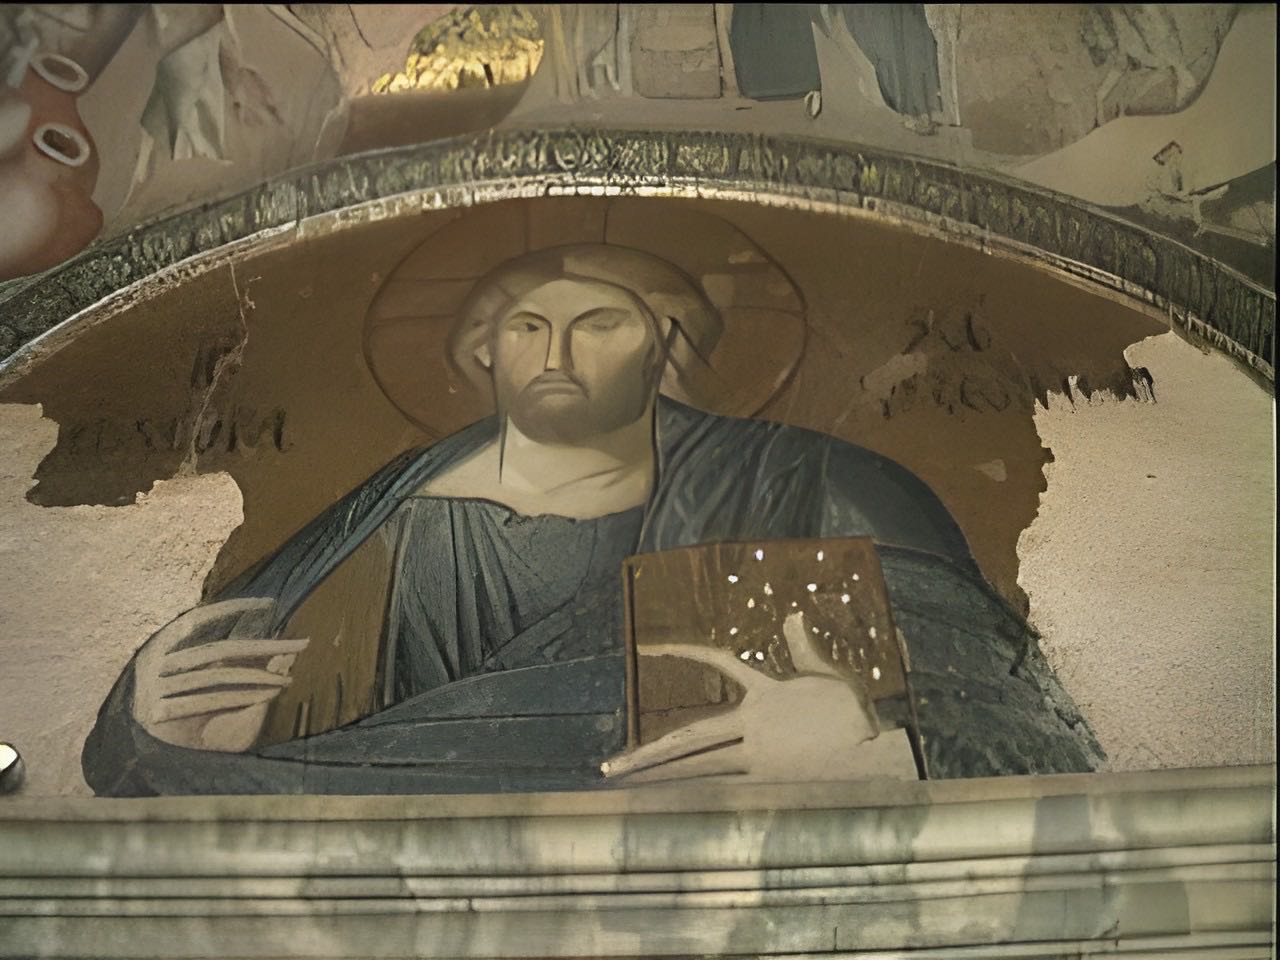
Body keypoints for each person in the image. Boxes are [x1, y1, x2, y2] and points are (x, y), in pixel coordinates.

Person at [83, 243, 1104, 796]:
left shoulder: (814, 484)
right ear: (483, 356)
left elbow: (1022, 723)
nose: (556, 352)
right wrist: (151, 729)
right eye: (525, 326)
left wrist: (876, 751)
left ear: (664, 350)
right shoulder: (389, 515)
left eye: (599, 322)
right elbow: (221, 713)